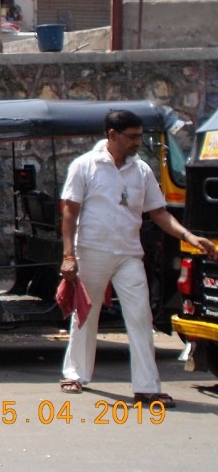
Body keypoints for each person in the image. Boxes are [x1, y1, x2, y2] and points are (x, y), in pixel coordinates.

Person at [58, 109, 216, 406]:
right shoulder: (85, 166)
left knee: (141, 316)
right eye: (133, 137)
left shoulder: (141, 170)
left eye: (140, 136)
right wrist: (68, 255)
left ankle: (147, 387)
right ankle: (76, 373)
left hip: (129, 254)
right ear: (113, 135)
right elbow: (69, 211)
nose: (138, 142)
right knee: (85, 314)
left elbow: (158, 213)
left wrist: (189, 236)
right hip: (91, 250)